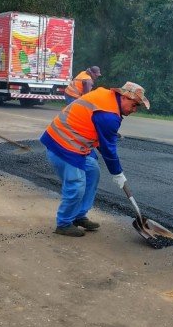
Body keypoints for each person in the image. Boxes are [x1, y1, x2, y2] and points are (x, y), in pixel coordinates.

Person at [41, 82, 150, 236]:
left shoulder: (109, 100)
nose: (134, 110)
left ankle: (78, 215)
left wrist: (107, 143)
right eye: (134, 105)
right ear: (124, 97)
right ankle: (64, 224)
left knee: (92, 171)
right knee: (76, 184)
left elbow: (101, 139)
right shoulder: (109, 114)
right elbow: (108, 149)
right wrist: (117, 173)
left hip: (74, 144)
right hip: (62, 144)